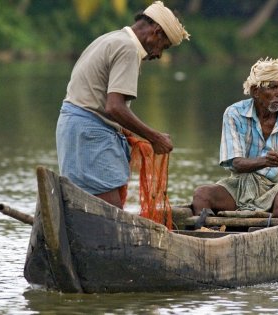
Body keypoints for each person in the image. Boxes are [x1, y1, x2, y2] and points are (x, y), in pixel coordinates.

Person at [56, 1, 189, 209]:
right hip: (90, 133)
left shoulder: (112, 38)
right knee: (110, 210)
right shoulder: (128, 48)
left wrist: (128, 133)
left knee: (85, 205)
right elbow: (114, 107)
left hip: (73, 127)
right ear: (156, 32)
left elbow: (103, 103)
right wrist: (154, 137)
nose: (158, 55)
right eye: (163, 47)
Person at [192, 57, 278, 229]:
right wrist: (266, 161)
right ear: (255, 91)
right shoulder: (234, 114)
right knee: (201, 195)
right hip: (241, 186)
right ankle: (212, 233)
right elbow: (236, 163)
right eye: (273, 87)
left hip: (276, 188)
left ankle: (262, 233)